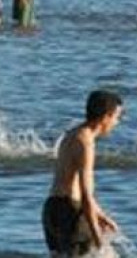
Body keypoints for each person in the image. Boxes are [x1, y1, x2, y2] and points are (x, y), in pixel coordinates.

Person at [42, 90, 122, 256]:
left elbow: (71, 182)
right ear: (105, 117)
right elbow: (86, 195)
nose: (116, 122)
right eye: (116, 117)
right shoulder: (86, 143)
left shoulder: (71, 134)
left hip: (51, 210)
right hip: (70, 211)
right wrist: (98, 239)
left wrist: (100, 214)